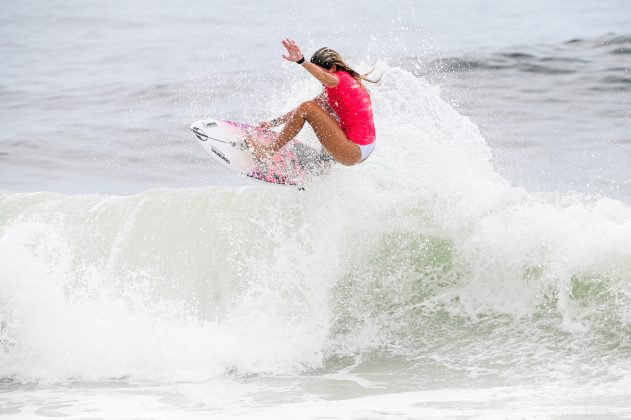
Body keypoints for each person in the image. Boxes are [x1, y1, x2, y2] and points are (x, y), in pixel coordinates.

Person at [250, 38, 378, 166]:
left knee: (308, 107)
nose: (320, 78)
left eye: (321, 71)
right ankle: (324, 162)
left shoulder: (338, 80)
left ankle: (267, 152)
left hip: (354, 151)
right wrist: (272, 123)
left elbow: (309, 102)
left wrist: (301, 60)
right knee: (318, 110)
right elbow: (299, 112)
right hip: (365, 147)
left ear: (333, 68)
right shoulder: (343, 83)